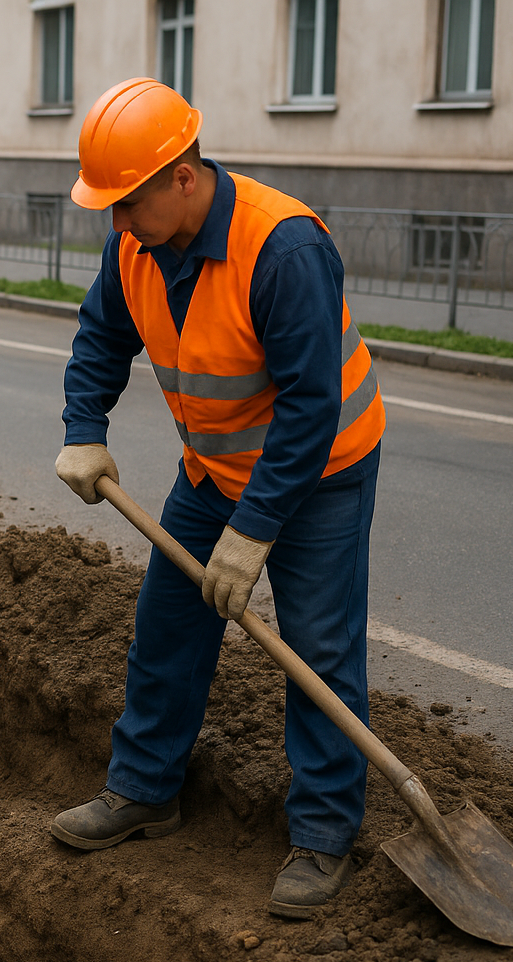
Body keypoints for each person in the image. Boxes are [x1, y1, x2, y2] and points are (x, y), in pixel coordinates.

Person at [50, 78, 385, 918]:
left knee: (318, 653)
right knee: (168, 625)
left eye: (128, 201)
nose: (117, 221)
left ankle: (324, 833)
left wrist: (255, 530)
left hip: (322, 471)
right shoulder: (134, 244)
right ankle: (144, 789)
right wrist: (84, 426)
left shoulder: (283, 248)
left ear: (184, 177)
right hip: (212, 468)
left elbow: (310, 406)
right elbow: (102, 337)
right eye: (109, 204)